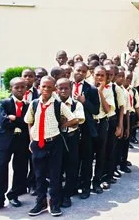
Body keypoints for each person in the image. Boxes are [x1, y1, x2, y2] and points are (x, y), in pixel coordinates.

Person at [24, 76, 77, 217]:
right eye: (43, 86)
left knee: (55, 175)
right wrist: (31, 139)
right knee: (39, 175)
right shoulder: (34, 104)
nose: (46, 89)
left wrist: (62, 125)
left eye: (49, 87)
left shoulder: (59, 105)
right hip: (37, 143)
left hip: (54, 143)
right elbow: (29, 121)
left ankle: (54, 203)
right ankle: (40, 203)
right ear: (39, 87)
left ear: (54, 88)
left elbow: (74, 119)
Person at [0, 78, 30, 214]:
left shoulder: (28, 105)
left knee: (20, 168)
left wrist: (15, 118)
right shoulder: (4, 103)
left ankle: (14, 195)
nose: (20, 90)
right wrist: (18, 122)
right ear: (11, 89)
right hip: (5, 142)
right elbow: (3, 122)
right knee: (1, 169)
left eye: (23, 87)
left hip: (22, 141)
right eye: (17, 87)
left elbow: (28, 121)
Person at [72, 62, 100, 200]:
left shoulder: (92, 89)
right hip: (70, 128)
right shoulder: (66, 86)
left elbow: (95, 110)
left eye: (84, 71)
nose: (80, 73)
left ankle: (85, 187)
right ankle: (72, 186)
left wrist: (84, 101)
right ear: (73, 70)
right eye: (78, 70)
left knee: (87, 159)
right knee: (72, 159)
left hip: (86, 129)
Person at [55, 78, 85, 208]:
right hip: (56, 139)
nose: (63, 91)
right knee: (56, 167)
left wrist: (65, 123)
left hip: (71, 137)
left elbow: (77, 120)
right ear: (56, 89)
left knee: (71, 166)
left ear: (71, 89)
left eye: (66, 88)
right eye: (60, 88)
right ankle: (57, 195)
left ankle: (67, 195)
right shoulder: (53, 104)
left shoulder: (76, 104)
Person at [91, 66, 115, 194]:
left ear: (106, 78)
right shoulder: (88, 88)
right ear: (92, 75)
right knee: (88, 155)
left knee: (101, 153)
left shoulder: (108, 90)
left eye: (102, 76)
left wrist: (100, 92)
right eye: (97, 75)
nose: (99, 78)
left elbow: (107, 110)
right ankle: (84, 182)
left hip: (102, 123)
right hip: (90, 124)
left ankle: (97, 181)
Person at [103, 65, 125, 186]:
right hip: (101, 122)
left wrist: (120, 126)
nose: (108, 77)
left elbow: (121, 107)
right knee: (101, 150)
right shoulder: (96, 86)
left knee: (110, 150)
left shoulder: (116, 89)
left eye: (111, 75)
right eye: (106, 74)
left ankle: (109, 175)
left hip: (112, 121)